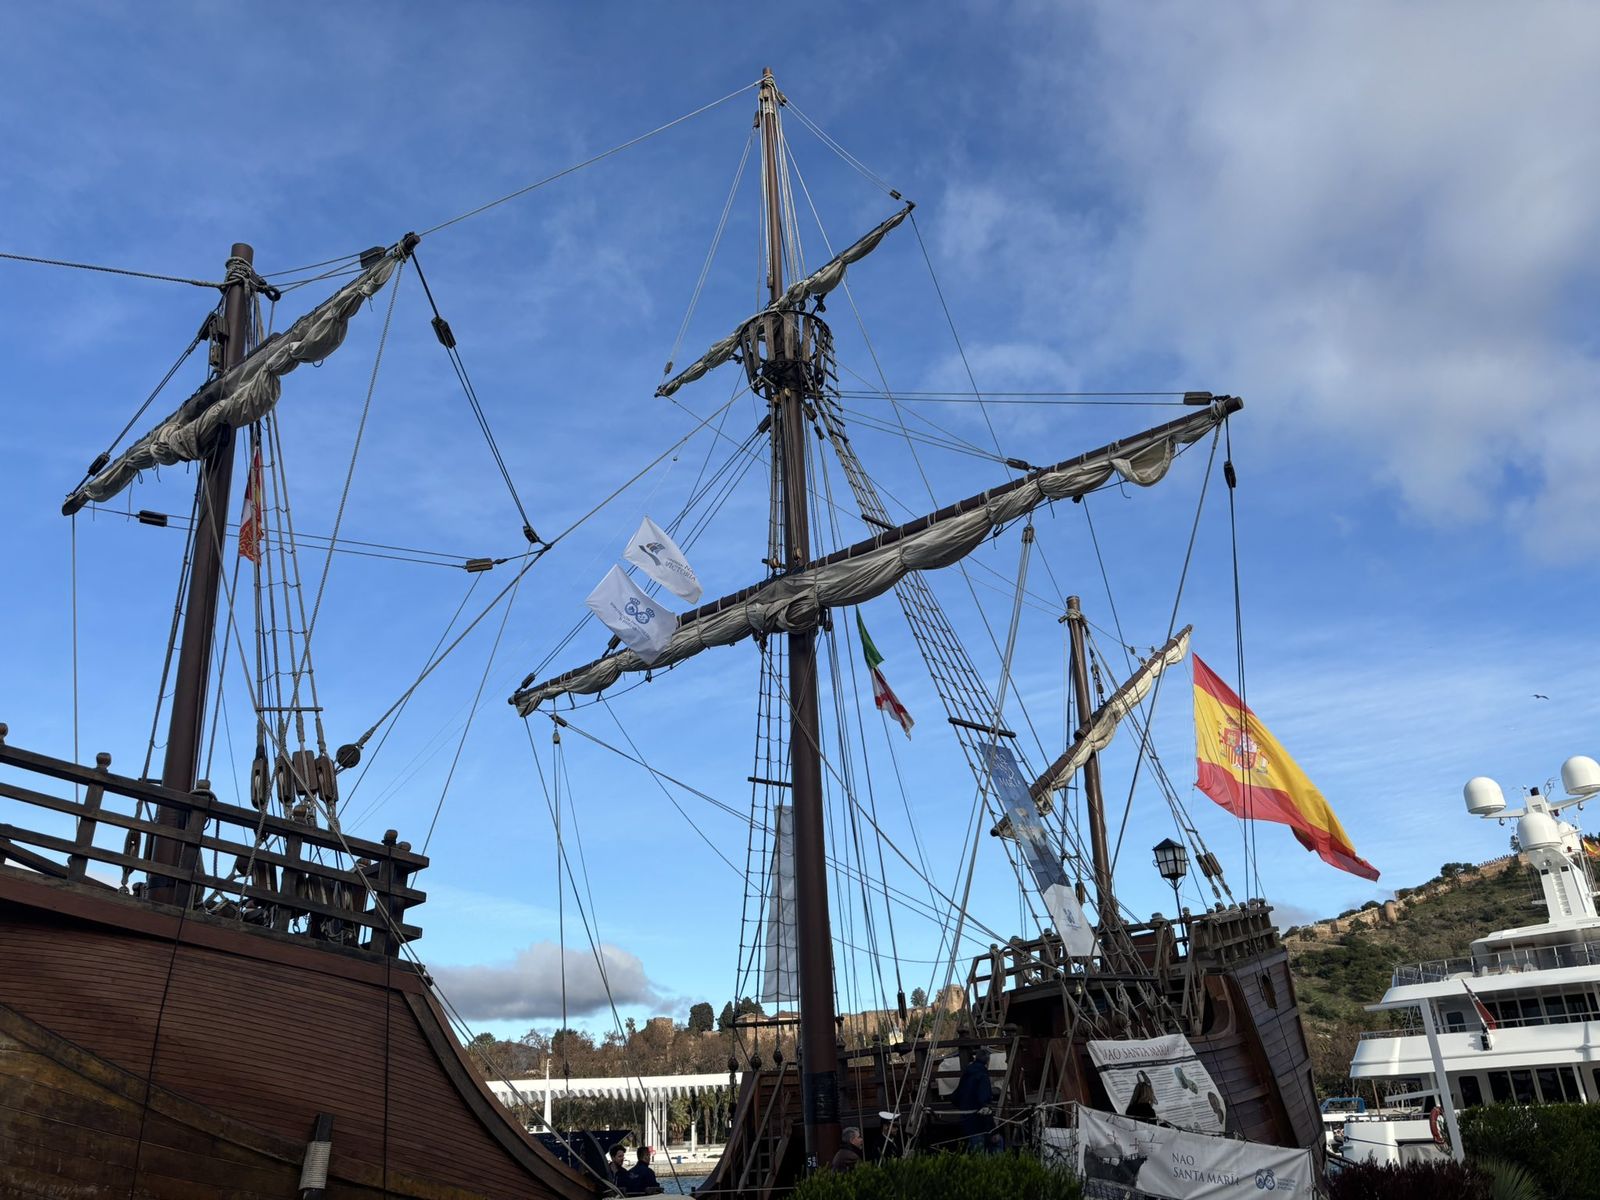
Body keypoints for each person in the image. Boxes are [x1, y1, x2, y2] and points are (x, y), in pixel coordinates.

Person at [952, 1045, 994, 1151]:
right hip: (977, 1118)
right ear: (987, 1062)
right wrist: (985, 1105)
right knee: (982, 1146)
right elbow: (983, 1096)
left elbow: (956, 1095)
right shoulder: (982, 1075)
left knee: (971, 1145)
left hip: (965, 1115)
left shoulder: (967, 1072)